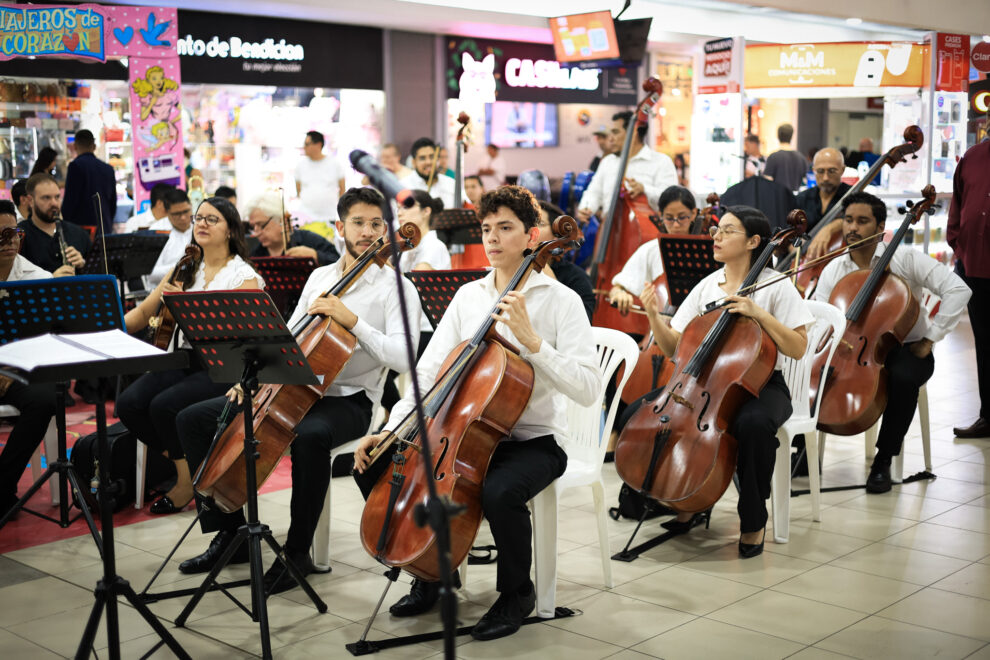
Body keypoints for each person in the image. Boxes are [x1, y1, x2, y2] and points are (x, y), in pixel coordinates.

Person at [353, 185, 600, 641]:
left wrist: (533, 343)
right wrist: (389, 431)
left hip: (534, 440)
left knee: (500, 490)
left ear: (531, 236)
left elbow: (587, 388)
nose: (492, 238)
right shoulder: (468, 296)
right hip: (462, 433)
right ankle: (430, 575)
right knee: (380, 468)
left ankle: (516, 594)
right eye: (487, 229)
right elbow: (427, 375)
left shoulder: (561, 300)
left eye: (505, 228)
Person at [175, 188, 420, 592]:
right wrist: (250, 376)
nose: (367, 231)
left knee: (309, 437)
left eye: (376, 223)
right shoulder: (320, 277)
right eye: (358, 222)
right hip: (295, 388)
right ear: (340, 227)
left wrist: (353, 321)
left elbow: (403, 356)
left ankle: (298, 551)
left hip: (351, 400)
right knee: (194, 419)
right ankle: (229, 534)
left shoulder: (396, 287)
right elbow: (288, 336)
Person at [640, 205, 813, 556]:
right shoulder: (707, 286)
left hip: (764, 385)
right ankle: (688, 497)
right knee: (647, 413)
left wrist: (758, 312)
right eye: (717, 229)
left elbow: (797, 347)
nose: (716, 236)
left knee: (753, 425)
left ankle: (753, 520)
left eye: (728, 231)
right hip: (708, 383)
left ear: (753, 241)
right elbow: (675, 346)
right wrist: (654, 317)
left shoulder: (776, 286)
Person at [812, 192, 971, 492]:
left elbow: (958, 290)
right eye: (848, 220)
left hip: (908, 348)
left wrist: (931, 338)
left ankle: (883, 460)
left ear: (880, 226)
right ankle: (803, 450)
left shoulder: (905, 259)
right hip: (853, 348)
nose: (853, 228)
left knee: (902, 376)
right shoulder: (834, 268)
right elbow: (822, 316)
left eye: (862, 221)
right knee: (810, 371)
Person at [116, 197, 262, 515]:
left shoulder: (242, 275)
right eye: (199, 218)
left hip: (222, 367)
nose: (202, 224)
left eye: (213, 219)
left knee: (164, 406)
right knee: (128, 404)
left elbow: (252, 337)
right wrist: (105, 329)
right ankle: (188, 468)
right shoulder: (185, 268)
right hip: (182, 360)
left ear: (230, 230)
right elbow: (143, 313)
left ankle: (185, 483)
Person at [0, 201, 71, 518]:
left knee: (45, 400)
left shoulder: (37, 278)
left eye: (13, 233)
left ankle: (2, 487)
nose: (9, 242)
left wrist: (12, 370)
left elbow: (48, 340)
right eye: (0, 236)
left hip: (20, 370)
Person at [948, 121, 990, 438]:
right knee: (985, 344)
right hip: (975, 267)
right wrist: (958, 246)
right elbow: (958, 206)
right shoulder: (972, 157)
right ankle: (988, 416)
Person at [608, 186, 699, 317]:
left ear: (693, 214)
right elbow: (617, 287)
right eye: (669, 218)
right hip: (658, 327)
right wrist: (619, 293)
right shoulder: (651, 249)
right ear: (660, 216)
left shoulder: (708, 250)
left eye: (682, 217)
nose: (676, 224)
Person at [576, 111, 678, 224]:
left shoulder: (661, 162)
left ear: (633, 132)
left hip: (646, 234)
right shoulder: (607, 162)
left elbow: (672, 201)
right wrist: (586, 207)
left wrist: (645, 189)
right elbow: (594, 192)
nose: (610, 139)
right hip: (610, 232)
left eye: (615, 133)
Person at [17, 173, 90, 274]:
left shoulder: (79, 234)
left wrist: (83, 264)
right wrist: (50, 279)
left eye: (57, 197)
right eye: (46, 198)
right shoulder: (18, 236)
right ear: (31, 201)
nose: (54, 203)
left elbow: (97, 276)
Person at [246, 190, 340, 266]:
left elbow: (339, 262)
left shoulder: (309, 239)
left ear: (281, 220)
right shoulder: (256, 254)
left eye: (261, 225)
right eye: (253, 227)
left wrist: (316, 255)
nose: (257, 233)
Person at [537, 200, 595, 321]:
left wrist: (539, 261)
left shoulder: (577, 279)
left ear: (557, 235)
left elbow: (580, 326)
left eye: (540, 224)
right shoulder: (508, 270)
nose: (531, 230)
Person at [61, 130, 116, 232]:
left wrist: (65, 225)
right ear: (94, 146)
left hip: (82, 229)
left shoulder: (75, 166)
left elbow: (70, 200)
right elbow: (113, 203)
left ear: (75, 146)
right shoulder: (108, 169)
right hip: (104, 227)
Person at [793, 148, 851, 233]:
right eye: (820, 171)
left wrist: (833, 227)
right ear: (813, 170)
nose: (825, 178)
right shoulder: (802, 198)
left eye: (832, 171)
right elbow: (790, 232)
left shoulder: (854, 197)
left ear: (842, 170)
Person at [146, 188, 194, 287]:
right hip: (162, 292)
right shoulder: (156, 231)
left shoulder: (200, 226)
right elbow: (150, 273)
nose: (183, 217)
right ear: (167, 213)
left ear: (191, 206)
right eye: (177, 214)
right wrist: (182, 267)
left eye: (186, 211)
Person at [295, 130, 346, 222]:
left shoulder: (334, 164)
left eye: (307, 144)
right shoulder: (300, 165)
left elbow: (342, 189)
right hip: (305, 217)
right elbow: (298, 190)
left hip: (328, 217)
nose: (304, 147)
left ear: (318, 145)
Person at [399, 137, 462, 208]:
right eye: (422, 158)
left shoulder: (451, 183)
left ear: (437, 159)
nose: (428, 162)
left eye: (432, 157)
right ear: (413, 162)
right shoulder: (403, 186)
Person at [763, 123, 808, 192]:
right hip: (795, 199)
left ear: (778, 136)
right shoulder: (801, 158)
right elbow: (805, 182)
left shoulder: (773, 157)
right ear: (792, 136)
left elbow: (767, 181)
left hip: (778, 199)